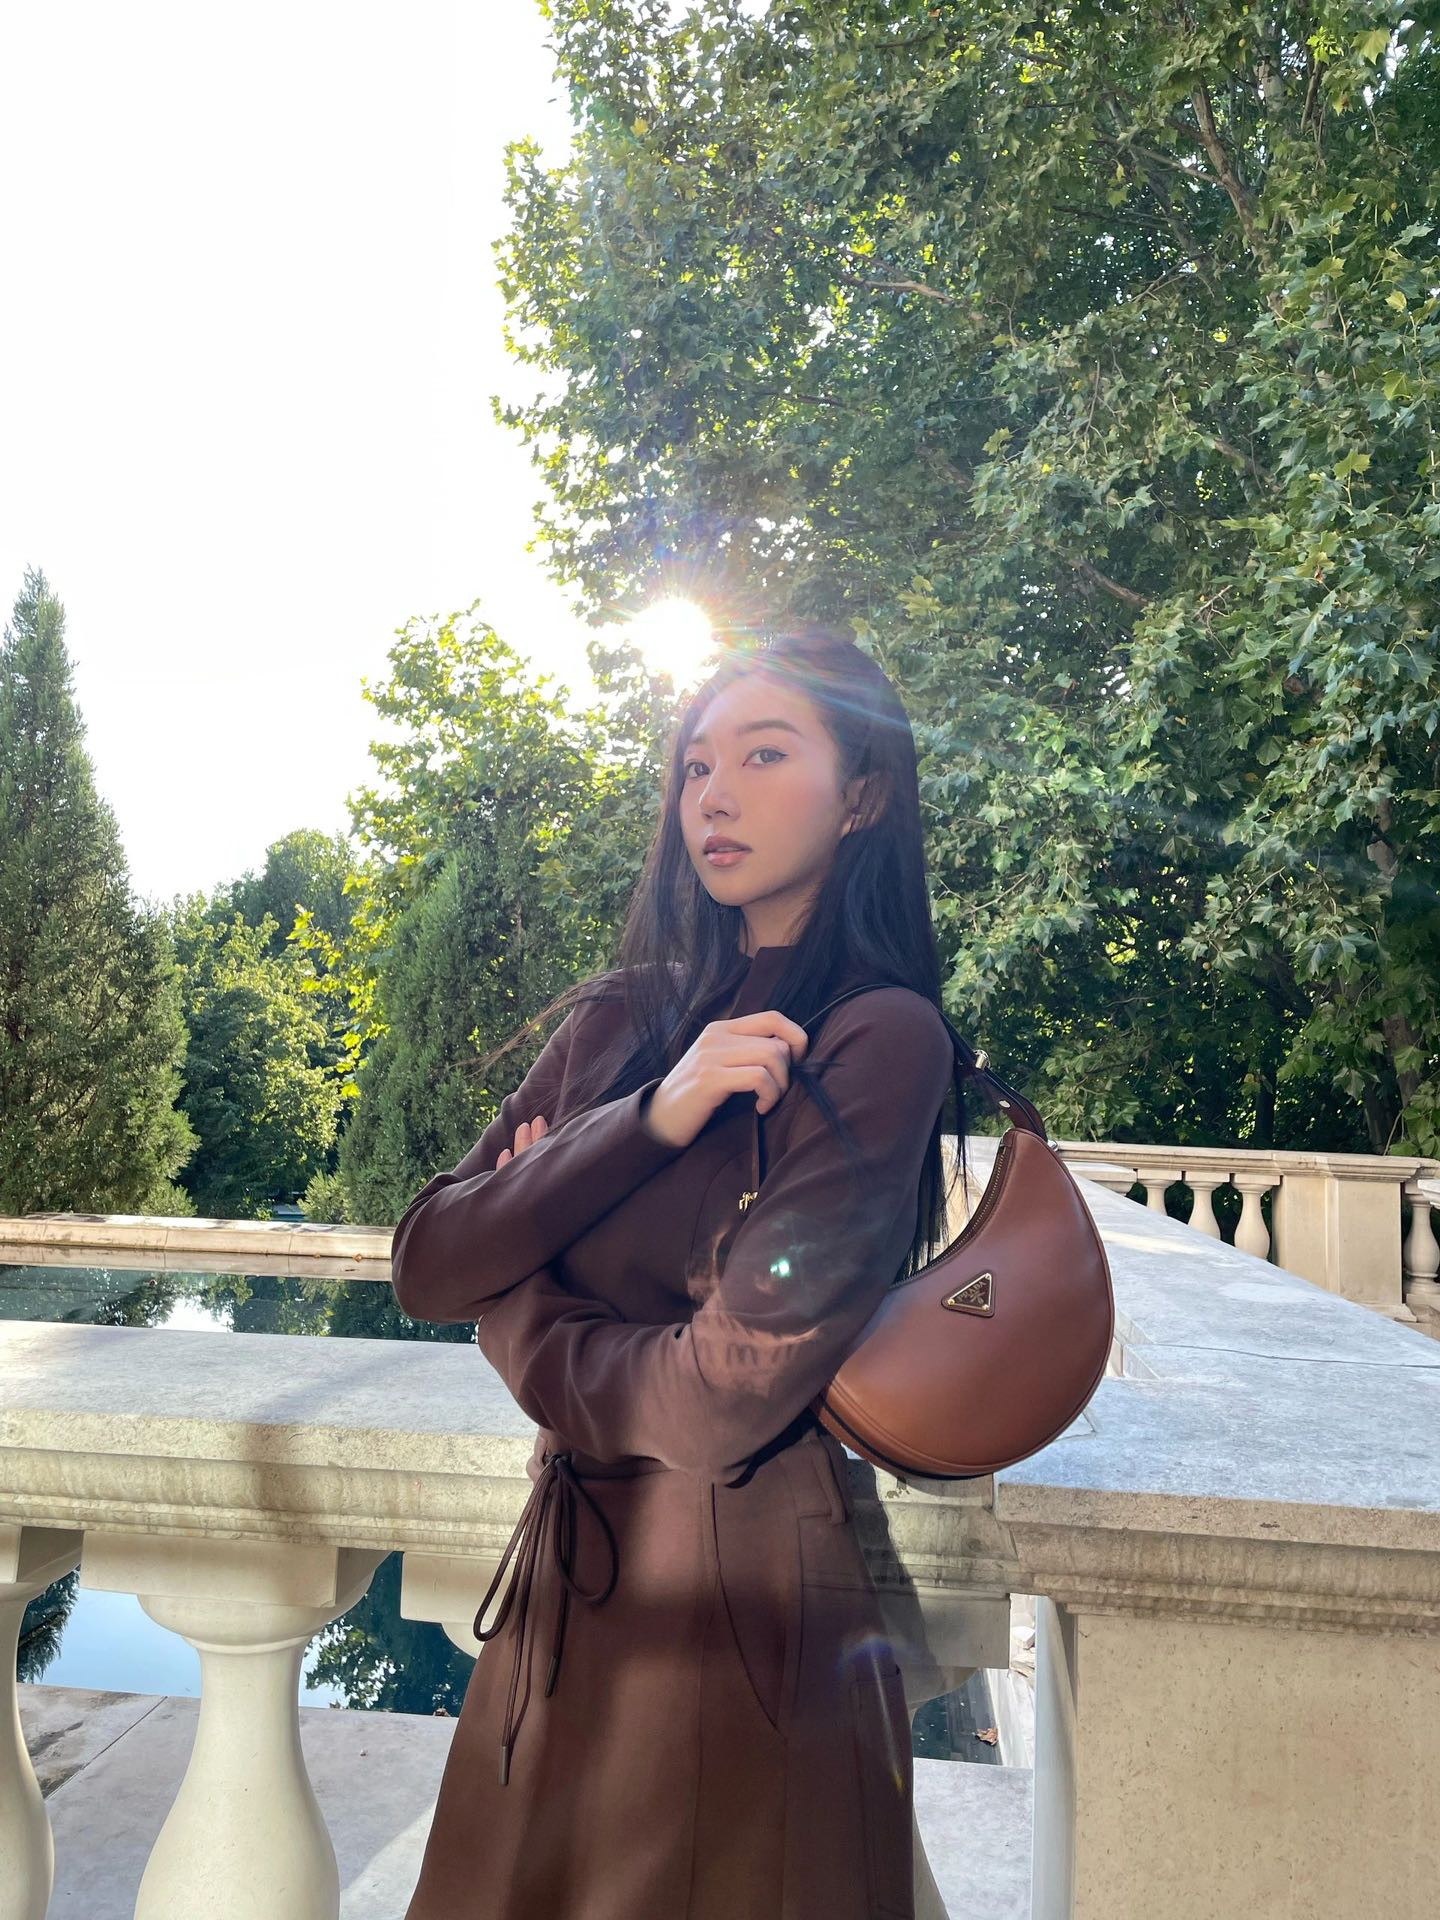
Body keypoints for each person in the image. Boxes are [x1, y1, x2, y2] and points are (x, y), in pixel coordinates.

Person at [390, 628, 965, 1920]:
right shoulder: (620, 1021)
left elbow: (721, 1397)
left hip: (743, 1608)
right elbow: (429, 1260)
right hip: (564, 1588)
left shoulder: (879, 1039)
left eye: (766, 755)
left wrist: (521, 1309)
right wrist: (646, 1118)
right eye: (698, 765)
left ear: (863, 795)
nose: (715, 795)